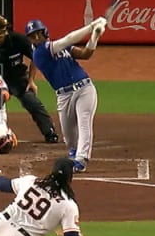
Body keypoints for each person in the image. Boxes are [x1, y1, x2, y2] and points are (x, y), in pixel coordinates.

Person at [25, 16, 105, 173]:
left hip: (85, 88)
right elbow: (68, 39)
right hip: (63, 95)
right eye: (32, 35)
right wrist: (91, 27)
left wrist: (95, 35)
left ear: (44, 32)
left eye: (38, 33)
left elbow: (85, 54)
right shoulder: (40, 53)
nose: (36, 37)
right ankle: (74, 151)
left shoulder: (57, 47)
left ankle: (81, 159)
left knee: (84, 123)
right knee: (68, 134)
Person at [0, 14, 59, 143]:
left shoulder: (18, 40)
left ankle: (49, 132)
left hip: (17, 80)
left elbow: (36, 56)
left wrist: (31, 80)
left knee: (32, 102)